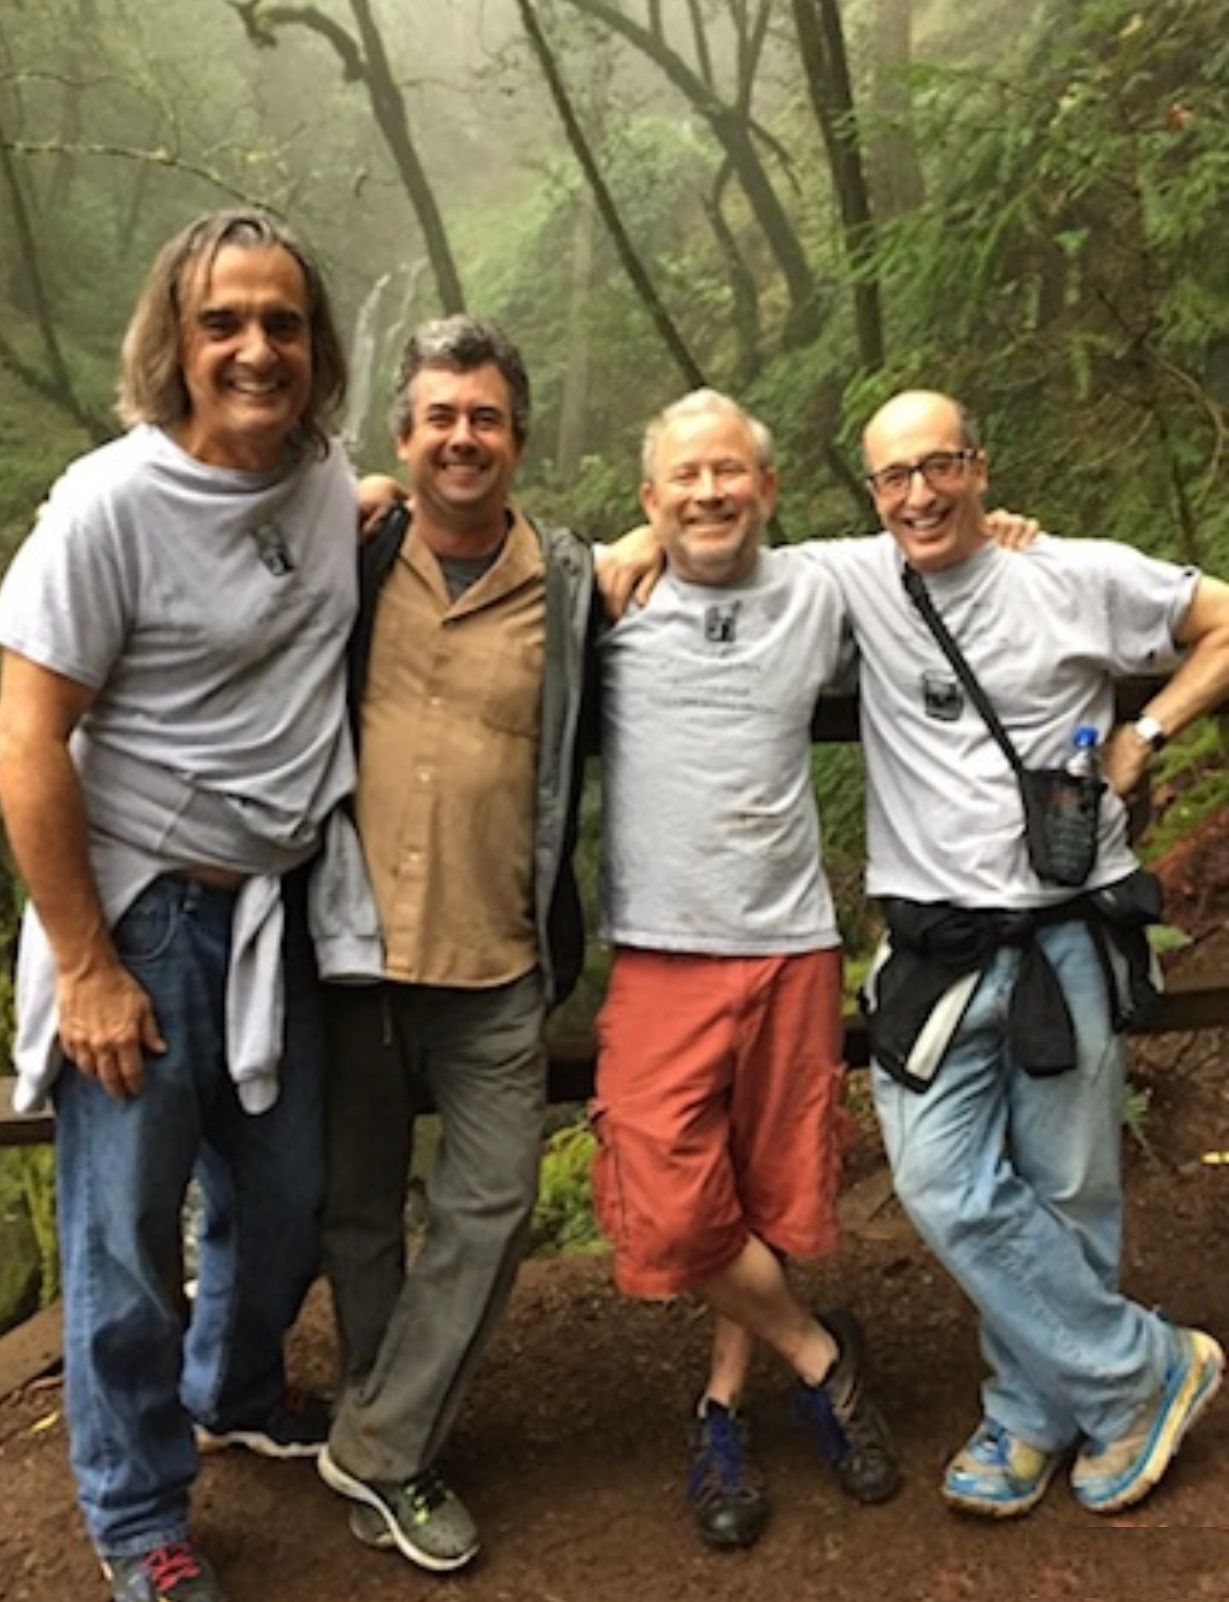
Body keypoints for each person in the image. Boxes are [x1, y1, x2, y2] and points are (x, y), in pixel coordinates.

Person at [0, 211, 356, 1602]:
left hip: (281, 908)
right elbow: (27, 738)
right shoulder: (107, 505)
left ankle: (234, 1385)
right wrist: (84, 961)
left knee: (286, 1201)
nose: (256, 348)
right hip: (141, 914)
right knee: (127, 1239)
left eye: (282, 322)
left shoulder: (326, 480)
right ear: (176, 342)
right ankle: (138, 1508)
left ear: (315, 348)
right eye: (225, 323)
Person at [826, 388, 1228, 1518]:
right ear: (870, 494)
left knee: (1067, 1191)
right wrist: (624, 546)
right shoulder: (854, 580)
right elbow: (714, 545)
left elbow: (1220, 621)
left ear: (980, 467)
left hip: (1066, 934)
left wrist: (1144, 735)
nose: (917, 493)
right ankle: (1145, 1371)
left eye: (937, 465)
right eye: (892, 477)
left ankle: (1029, 1416)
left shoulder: (1070, 573)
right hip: (934, 952)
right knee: (942, 1185)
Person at [592, 389, 899, 1549]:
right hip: (662, 948)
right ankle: (823, 1360)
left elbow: (944, 541)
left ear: (767, 491)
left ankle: (722, 1407)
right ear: (649, 499)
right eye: (685, 479)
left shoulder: (822, 585)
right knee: (667, 1209)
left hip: (789, 944)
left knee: (767, 1192)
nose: (710, 493)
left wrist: (1009, 530)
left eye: (730, 474)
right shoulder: (608, 597)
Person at [316, 316, 595, 1573]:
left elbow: (718, 573)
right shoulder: (352, 551)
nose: (462, 438)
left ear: (518, 437)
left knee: (489, 1210)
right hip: (352, 956)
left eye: (483, 417)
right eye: (439, 417)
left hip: (497, 959)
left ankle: (373, 1443)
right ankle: (399, 1445)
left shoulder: (577, 583)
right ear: (403, 438)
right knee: (359, 1214)